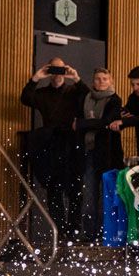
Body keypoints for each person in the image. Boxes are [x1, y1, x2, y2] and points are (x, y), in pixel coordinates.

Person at [21, 58, 88, 233]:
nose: (58, 75)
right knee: (54, 189)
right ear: (49, 72)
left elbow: (88, 96)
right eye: (54, 70)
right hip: (51, 144)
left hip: (71, 144)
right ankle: (59, 229)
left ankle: (74, 229)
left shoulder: (74, 91)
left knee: (75, 188)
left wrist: (76, 77)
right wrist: (36, 77)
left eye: (61, 70)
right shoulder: (43, 93)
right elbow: (26, 98)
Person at [74, 67, 122, 243]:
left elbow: (106, 122)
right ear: (93, 81)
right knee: (88, 194)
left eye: (104, 79)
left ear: (111, 81)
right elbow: (80, 122)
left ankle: (106, 232)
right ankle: (89, 234)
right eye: (97, 79)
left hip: (107, 154)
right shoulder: (85, 98)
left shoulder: (114, 100)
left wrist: (83, 124)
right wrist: (90, 124)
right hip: (88, 151)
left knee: (106, 194)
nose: (101, 82)